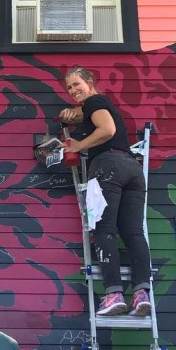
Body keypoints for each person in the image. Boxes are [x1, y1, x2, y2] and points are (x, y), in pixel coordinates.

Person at [58, 66, 152, 317]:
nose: (72, 90)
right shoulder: (96, 104)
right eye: (68, 87)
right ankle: (142, 295)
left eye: (77, 84)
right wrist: (70, 114)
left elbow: (107, 129)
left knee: (103, 229)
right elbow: (84, 115)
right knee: (133, 232)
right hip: (132, 169)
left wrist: (78, 145)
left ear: (90, 82)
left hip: (107, 167)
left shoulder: (95, 101)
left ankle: (113, 294)